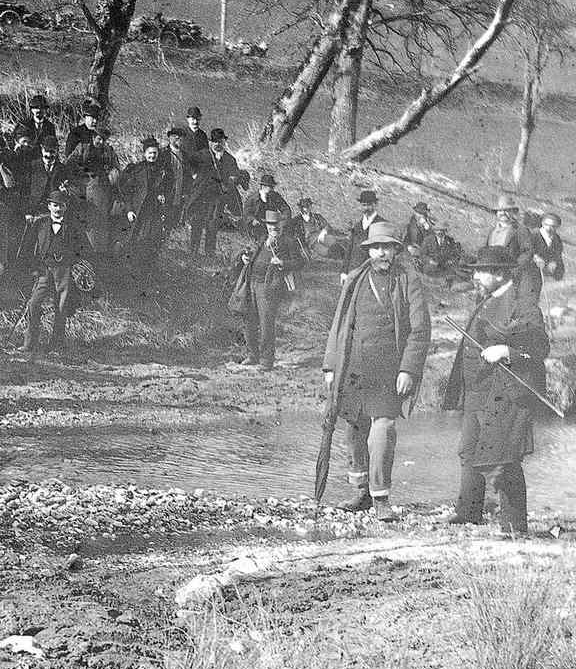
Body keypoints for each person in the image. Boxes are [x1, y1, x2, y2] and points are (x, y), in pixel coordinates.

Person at [322, 223, 431, 520]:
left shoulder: (408, 281)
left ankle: (380, 497)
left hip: (389, 370)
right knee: (355, 429)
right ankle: (360, 492)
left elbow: (420, 330)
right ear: (368, 251)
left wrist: (408, 369)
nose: (381, 253)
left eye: (386, 247)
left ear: (395, 250)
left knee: (383, 431)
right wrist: (331, 366)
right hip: (354, 368)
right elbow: (339, 325)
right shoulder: (356, 279)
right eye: (375, 247)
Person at [441, 244, 550, 537]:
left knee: (504, 459)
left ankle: (514, 527)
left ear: (500, 274)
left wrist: (506, 350)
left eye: (481, 271)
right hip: (477, 391)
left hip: (506, 393)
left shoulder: (522, 304)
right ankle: (468, 513)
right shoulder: (487, 300)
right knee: (469, 450)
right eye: (476, 271)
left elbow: (540, 348)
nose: (476, 276)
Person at [18, 183, 87, 362]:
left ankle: (56, 343)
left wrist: (74, 265)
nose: (58, 209)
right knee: (33, 304)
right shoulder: (40, 224)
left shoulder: (73, 226)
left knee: (61, 307)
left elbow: (82, 248)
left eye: (61, 205)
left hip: (64, 270)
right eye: (55, 205)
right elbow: (30, 247)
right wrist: (34, 267)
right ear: (49, 206)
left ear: (66, 207)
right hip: (43, 270)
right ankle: (30, 343)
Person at [232, 210, 305, 370]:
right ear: (266, 225)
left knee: (266, 323)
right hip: (251, 284)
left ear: (281, 224)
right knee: (249, 322)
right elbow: (251, 254)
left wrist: (283, 263)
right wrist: (245, 258)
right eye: (270, 225)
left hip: (269, 287)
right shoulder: (262, 239)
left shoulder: (288, 242)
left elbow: (300, 262)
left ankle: (266, 360)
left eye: (276, 224)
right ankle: (252, 355)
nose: (273, 228)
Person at [185, 129, 247, 257]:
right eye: (214, 141)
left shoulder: (230, 160)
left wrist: (232, 180)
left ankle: (209, 253)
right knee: (197, 222)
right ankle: (193, 252)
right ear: (209, 142)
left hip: (218, 198)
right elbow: (188, 162)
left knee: (212, 224)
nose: (217, 144)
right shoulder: (202, 155)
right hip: (202, 195)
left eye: (220, 141)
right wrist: (194, 174)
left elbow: (235, 175)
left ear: (224, 142)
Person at [67, 124, 121, 254]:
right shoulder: (82, 148)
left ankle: (98, 250)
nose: (101, 142)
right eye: (98, 139)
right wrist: (82, 175)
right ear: (93, 137)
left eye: (103, 140)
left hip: (101, 189)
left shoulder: (108, 151)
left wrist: (113, 173)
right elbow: (69, 164)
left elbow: (116, 167)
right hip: (81, 187)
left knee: (99, 219)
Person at [117, 136, 172, 261]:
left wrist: (162, 195)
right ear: (144, 153)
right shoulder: (136, 170)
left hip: (153, 211)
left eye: (155, 153)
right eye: (150, 153)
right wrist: (129, 210)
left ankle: (148, 270)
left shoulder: (162, 171)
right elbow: (126, 193)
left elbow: (168, 188)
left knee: (151, 240)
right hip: (137, 211)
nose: (152, 156)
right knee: (133, 240)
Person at [342, 182, 387, 273]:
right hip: (353, 270)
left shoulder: (382, 224)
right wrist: (344, 271)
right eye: (363, 205)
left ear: (375, 204)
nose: (366, 208)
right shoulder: (357, 225)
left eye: (369, 205)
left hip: (372, 271)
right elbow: (349, 249)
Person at [241, 172, 292, 241]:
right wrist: (253, 220)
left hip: (273, 225)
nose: (272, 189)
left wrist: (282, 223)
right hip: (258, 227)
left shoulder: (275, 196)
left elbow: (286, 209)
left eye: (273, 187)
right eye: (270, 187)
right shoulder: (252, 199)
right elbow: (246, 214)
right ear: (263, 187)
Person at [162, 126, 195, 231]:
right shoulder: (164, 154)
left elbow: (188, 176)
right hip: (167, 193)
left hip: (180, 192)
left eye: (180, 137)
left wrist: (186, 191)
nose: (178, 139)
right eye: (174, 137)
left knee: (175, 218)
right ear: (170, 138)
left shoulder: (185, 156)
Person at [403, 201, 439, 267]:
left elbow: (431, 237)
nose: (419, 215)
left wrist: (427, 226)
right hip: (413, 246)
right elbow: (407, 235)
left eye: (422, 213)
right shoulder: (412, 222)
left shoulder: (428, 223)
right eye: (418, 213)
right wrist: (409, 246)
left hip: (424, 248)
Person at [533, 211, 565, 280]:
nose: (549, 228)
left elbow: (558, 253)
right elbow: (526, 249)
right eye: (546, 225)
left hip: (549, 265)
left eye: (553, 226)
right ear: (542, 224)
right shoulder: (534, 234)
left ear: (557, 227)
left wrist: (554, 261)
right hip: (534, 263)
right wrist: (535, 257)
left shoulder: (556, 238)